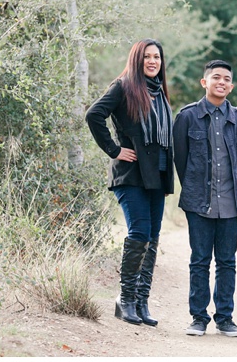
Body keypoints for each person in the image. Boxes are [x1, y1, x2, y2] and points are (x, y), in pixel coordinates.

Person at [86, 38, 174, 327]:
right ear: (137, 59)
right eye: (147, 56)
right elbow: (94, 114)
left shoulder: (160, 93)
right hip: (131, 174)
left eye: (157, 57)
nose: (152, 61)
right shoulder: (123, 86)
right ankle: (124, 300)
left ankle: (141, 301)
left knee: (153, 237)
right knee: (139, 233)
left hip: (157, 175)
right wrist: (114, 150)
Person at [173, 60, 237, 338]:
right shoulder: (187, 116)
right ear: (204, 82)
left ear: (231, 86)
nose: (221, 82)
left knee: (227, 262)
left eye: (226, 78)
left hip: (230, 203)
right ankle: (198, 317)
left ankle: (225, 318)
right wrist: (195, 189)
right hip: (199, 203)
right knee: (200, 261)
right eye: (215, 77)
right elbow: (180, 160)